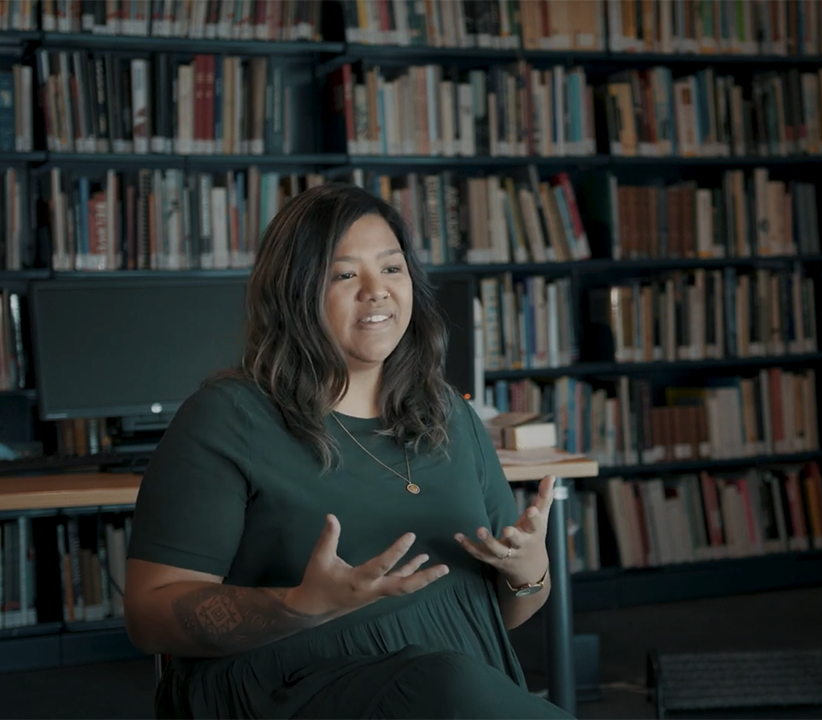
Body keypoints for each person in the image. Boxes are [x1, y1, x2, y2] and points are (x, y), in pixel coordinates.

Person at [123, 183, 574, 720]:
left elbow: (504, 615)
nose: (376, 291)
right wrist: (298, 606)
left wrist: (530, 572)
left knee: (455, 684)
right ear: (294, 293)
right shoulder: (229, 416)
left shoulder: (449, 413)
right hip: (290, 690)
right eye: (344, 275)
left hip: (452, 693)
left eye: (391, 268)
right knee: (450, 684)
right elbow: (148, 616)